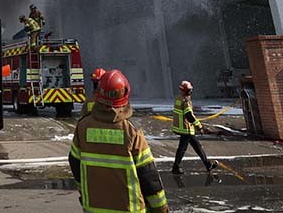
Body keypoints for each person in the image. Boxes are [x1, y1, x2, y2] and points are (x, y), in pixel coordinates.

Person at [69, 69, 168, 213]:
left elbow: (74, 162)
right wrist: (161, 208)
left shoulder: (82, 127)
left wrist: (84, 191)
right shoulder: (131, 131)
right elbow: (148, 176)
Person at [171, 80, 217, 175]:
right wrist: (199, 126)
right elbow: (189, 116)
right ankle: (176, 167)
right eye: (189, 90)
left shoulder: (178, 98)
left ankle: (207, 165)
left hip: (183, 128)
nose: (190, 92)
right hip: (185, 128)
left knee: (197, 147)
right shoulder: (186, 101)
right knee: (182, 149)